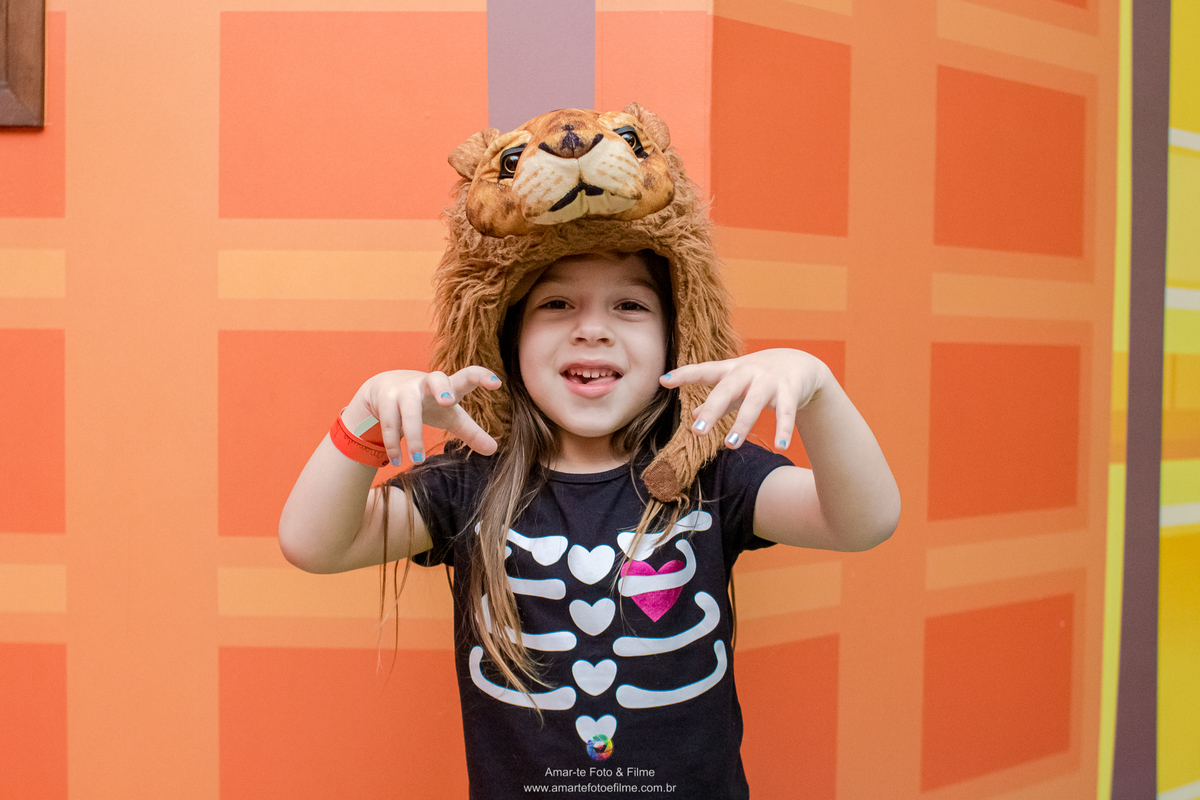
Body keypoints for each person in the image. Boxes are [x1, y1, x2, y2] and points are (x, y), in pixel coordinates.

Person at [279, 107, 900, 800]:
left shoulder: (714, 474)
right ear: (506, 336)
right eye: (556, 305)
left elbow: (862, 522)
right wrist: (365, 414)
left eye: (629, 306)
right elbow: (313, 544)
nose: (593, 331)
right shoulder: (468, 485)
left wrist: (818, 390)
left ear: (677, 336)